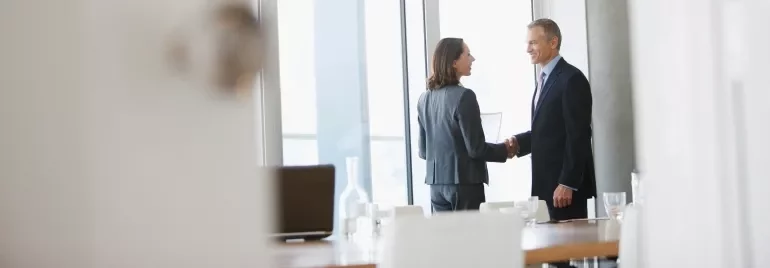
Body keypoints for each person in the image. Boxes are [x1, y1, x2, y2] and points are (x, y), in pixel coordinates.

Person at [506, 19, 597, 221]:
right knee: (550, 250)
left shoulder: (571, 79)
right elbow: (549, 130)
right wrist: (518, 143)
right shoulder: (544, 79)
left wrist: (567, 183)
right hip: (546, 186)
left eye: (533, 43)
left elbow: (579, 135)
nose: (528, 49)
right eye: (527, 43)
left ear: (553, 42)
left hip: (564, 190)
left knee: (568, 249)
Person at [417, 37, 517, 213]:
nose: (472, 59)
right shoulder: (465, 96)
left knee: (446, 240)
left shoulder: (424, 99)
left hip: (436, 186)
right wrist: (505, 150)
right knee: (469, 239)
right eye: (468, 54)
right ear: (454, 62)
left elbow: (424, 151)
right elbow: (476, 149)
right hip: (464, 184)